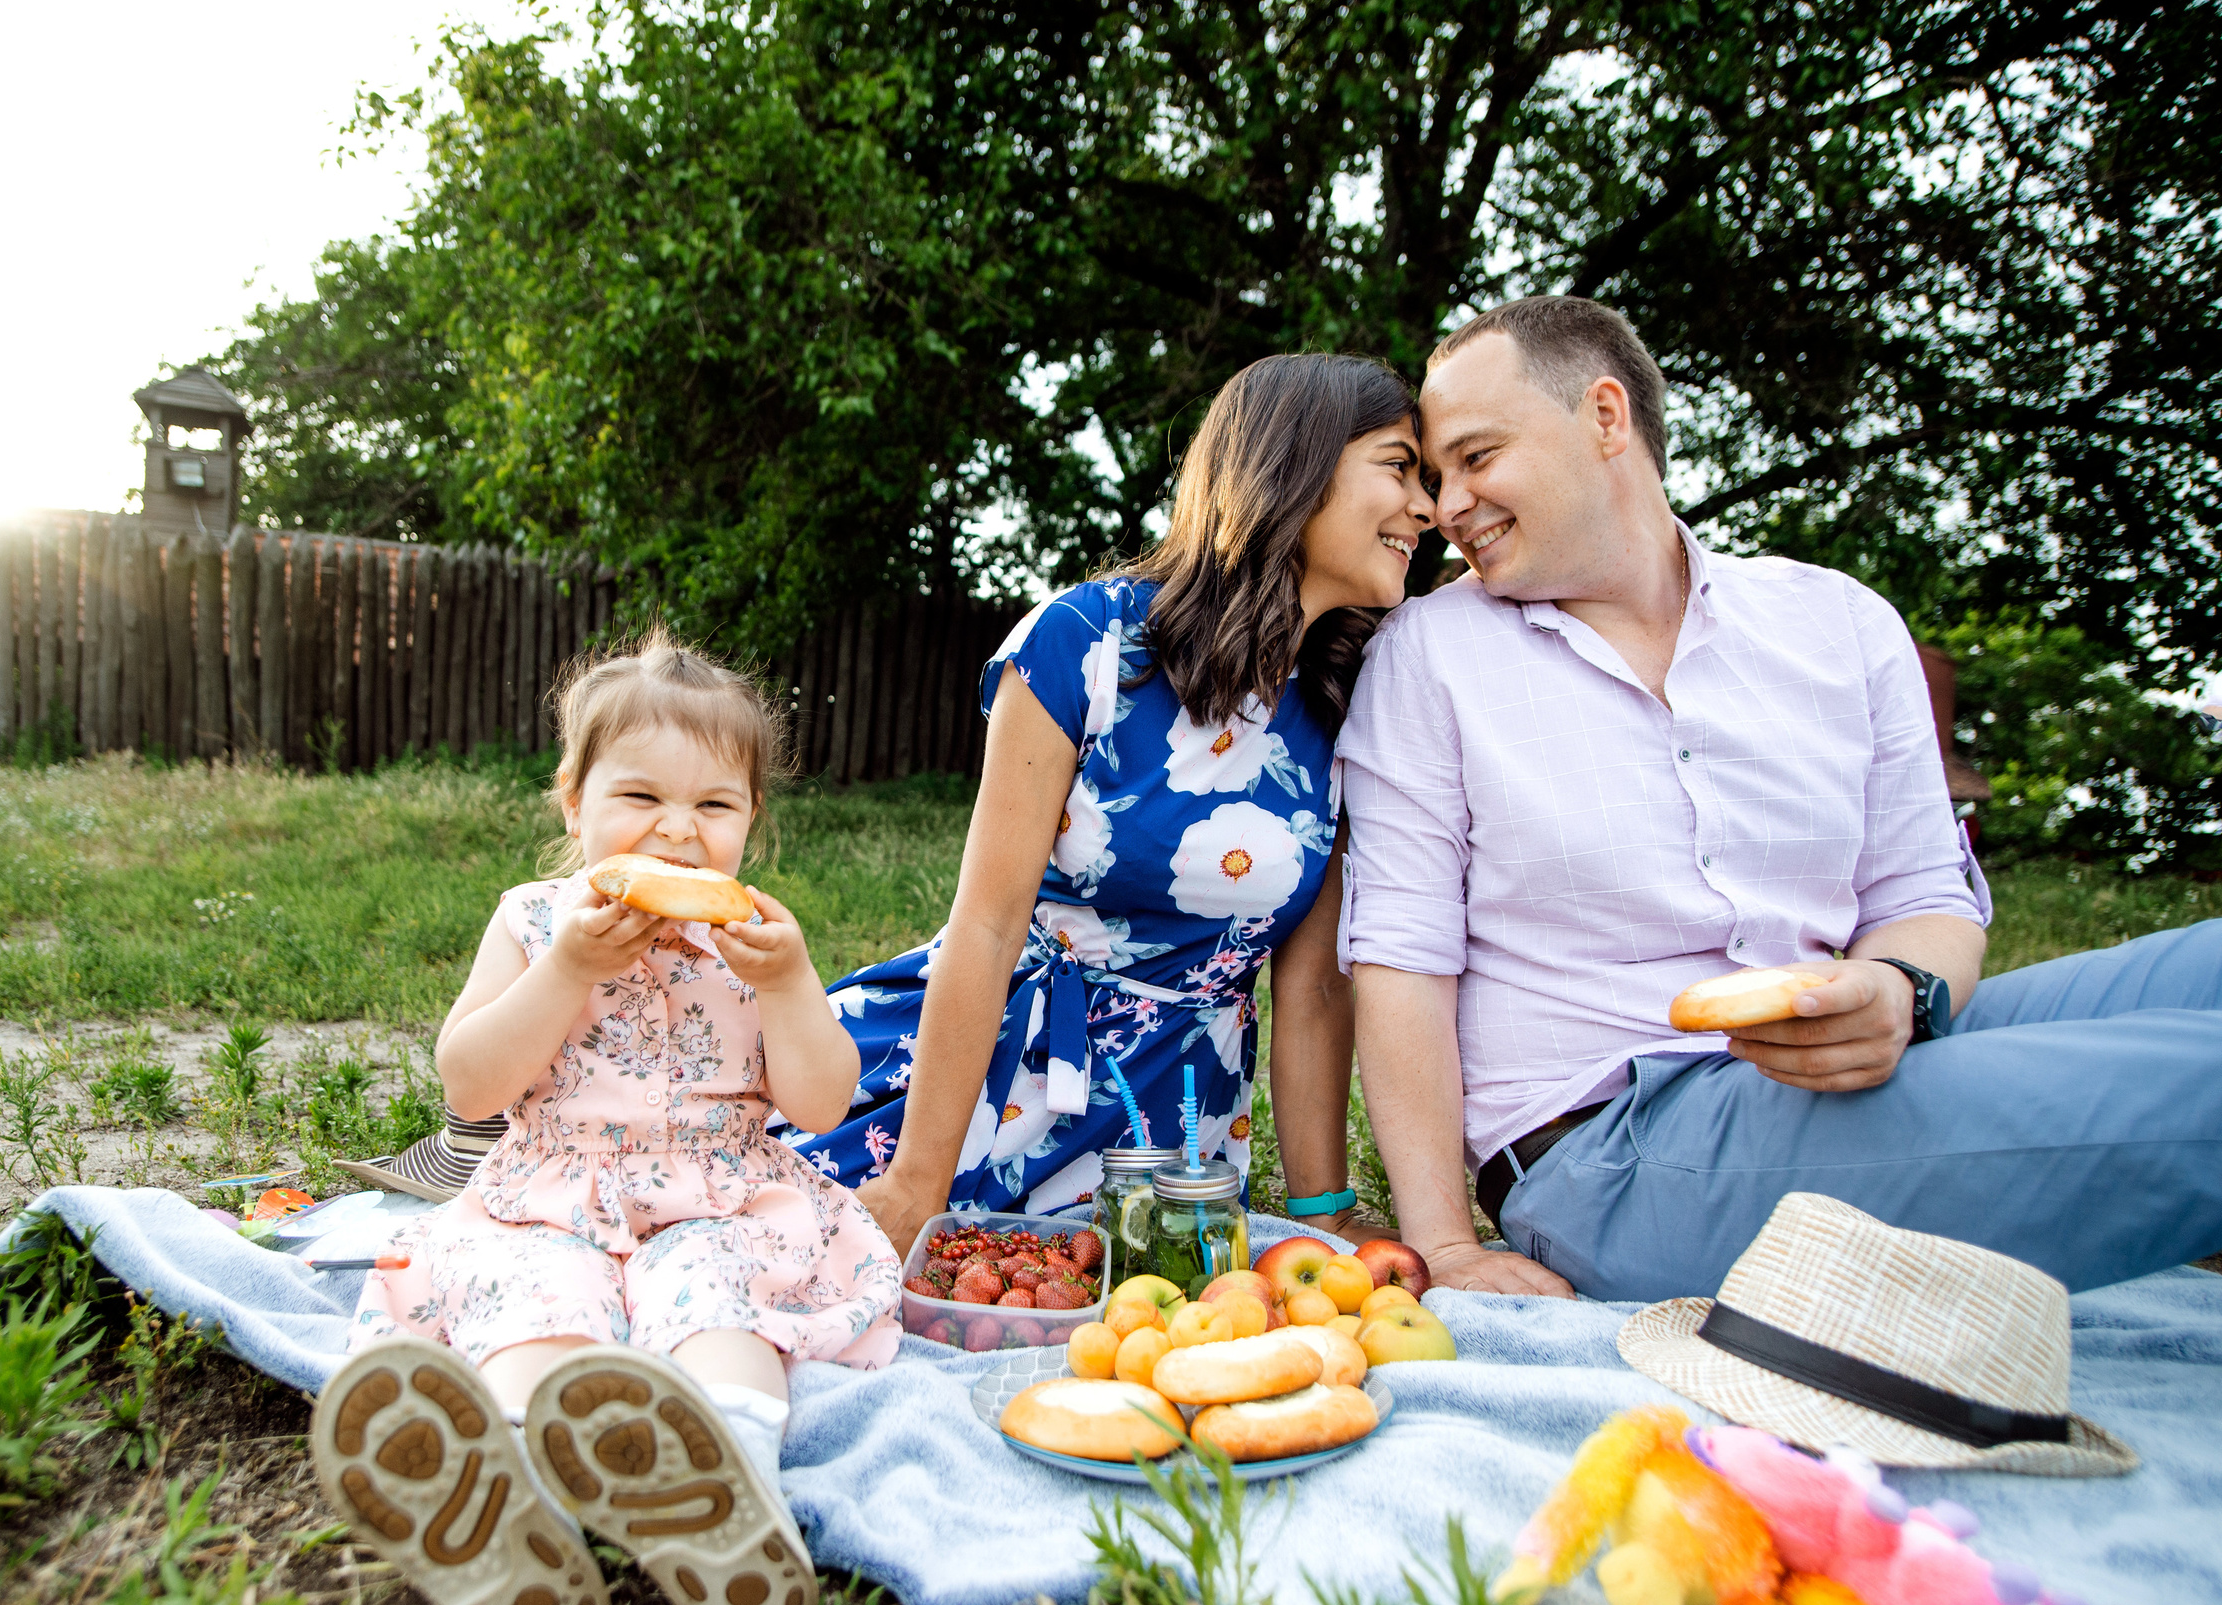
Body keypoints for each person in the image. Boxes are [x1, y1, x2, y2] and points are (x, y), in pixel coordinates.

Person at [1339, 294, 2222, 1304]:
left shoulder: (1834, 621)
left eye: (1475, 457)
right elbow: (1402, 955)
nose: (1446, 504)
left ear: (1605, 417)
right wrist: (1445, 1247)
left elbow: (1925, 892)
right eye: (1435, 474)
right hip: (1614, 1149)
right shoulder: (1429, 654)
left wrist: (1898, 988)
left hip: (1839, 1070)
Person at [309, 632, 899, 1605]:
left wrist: (793, 986)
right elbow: (471, 1082)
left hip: (718, 1195)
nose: (677, 830)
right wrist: (566, 970)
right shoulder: (536, 920)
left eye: (714, 805)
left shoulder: (756, 940)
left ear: (750, 821)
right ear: (572, 800)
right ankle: (508, 1500)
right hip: (553, 1191)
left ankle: (724, 1483)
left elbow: (819, 1100)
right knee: (533, 1299)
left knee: (717, 1294)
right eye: (640, 798)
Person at [790, 353, 1439, 1261]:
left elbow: (1313, 984)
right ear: (1298, 463)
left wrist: (1323, 1205)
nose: (1428, 508)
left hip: (1177, 1125)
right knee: (771, 1242)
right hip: (986, 1068)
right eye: (1399, 466)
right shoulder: (1085, 643)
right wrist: (916, 1182)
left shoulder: (1350, 695)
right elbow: (985, 923)